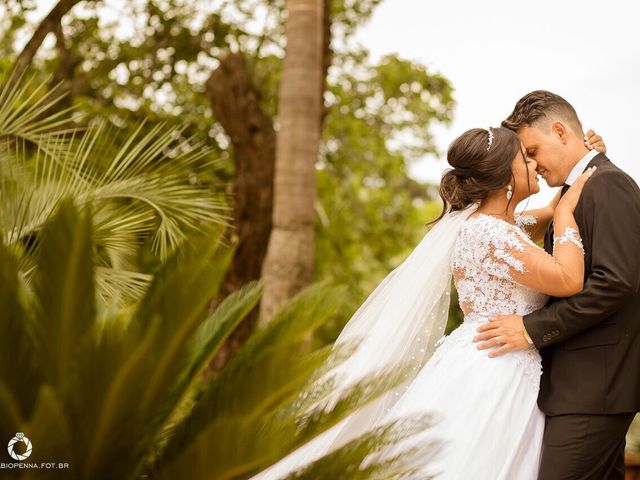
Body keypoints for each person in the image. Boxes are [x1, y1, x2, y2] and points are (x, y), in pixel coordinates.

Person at [251, 126, 605, 480]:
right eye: (526, 158)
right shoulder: (490, 234)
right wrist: (563, 218)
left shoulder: (499, 224)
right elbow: (568, 278)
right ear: (505, 178)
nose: (534, 164)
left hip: (494, 360)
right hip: (494, 370)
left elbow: (552, 204)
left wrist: (582, 157)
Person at [474, 91, 640, 480]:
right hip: (579, 386)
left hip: (594, 387)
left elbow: (616, 283)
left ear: (561, 132)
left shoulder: (608, 185)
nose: (532, 163)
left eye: (533, 150)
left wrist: (529, 329)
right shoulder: (579, 189)